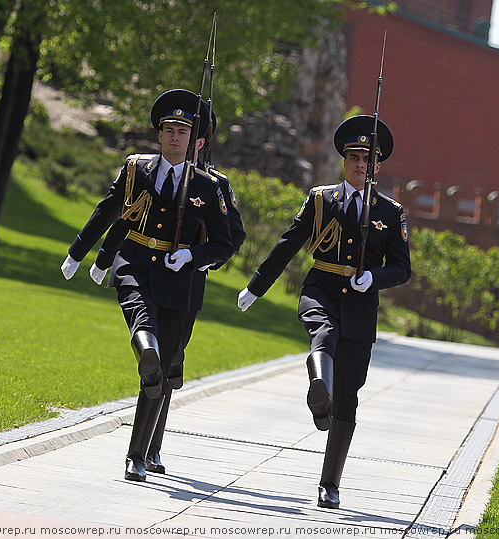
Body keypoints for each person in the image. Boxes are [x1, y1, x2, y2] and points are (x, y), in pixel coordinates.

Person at [236, 115, 412, 509]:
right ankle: (320, 389)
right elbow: (289, 243)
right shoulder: (321, 200)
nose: (360, 164)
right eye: (354, 157)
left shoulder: (390, 211)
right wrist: (256, 286)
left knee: (348, 398)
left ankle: (329, 483)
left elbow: (403, 268)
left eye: (368, 159)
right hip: (321, 288)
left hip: (362, 304)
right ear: (343, 160)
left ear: (378, 165)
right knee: (323, 334)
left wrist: (375, 277)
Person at [60, 89, 233, 482]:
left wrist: (193, 256)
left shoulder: (207, 185)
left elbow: (226, 242)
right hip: (135, 263)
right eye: (168, 129)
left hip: (180, 281)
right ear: (159, 134)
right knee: (143, 324)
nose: (174, 136)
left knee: (161, 372)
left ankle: (146, 448)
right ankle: (135, 446)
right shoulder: (136, 169)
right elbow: (110, 210)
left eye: (182, 131)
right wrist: (79, 253)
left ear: (194, 139)